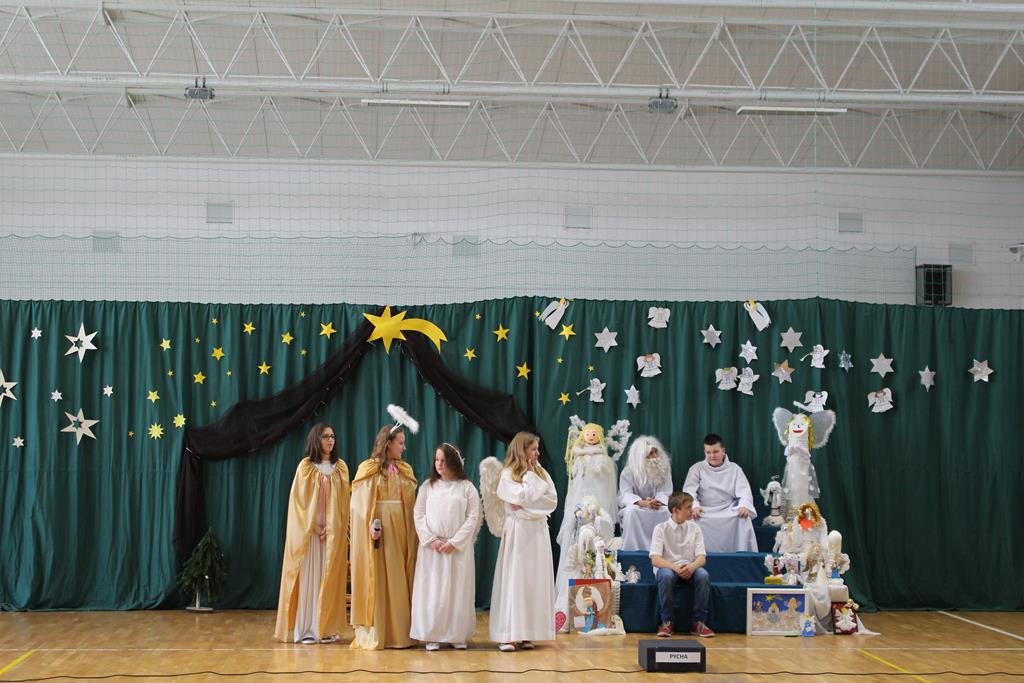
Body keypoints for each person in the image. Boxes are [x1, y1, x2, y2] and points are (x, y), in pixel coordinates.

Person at [274, 423, 351, 644]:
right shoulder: (306, 467)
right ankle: (307, 629)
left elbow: (344, 504)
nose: (330, 440)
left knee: (328, 580)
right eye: (326, 436)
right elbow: (298, 504)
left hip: (332, 535)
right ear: (316, 439)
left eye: (332, 436)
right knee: (310, 579)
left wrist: (333, 528)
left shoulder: (340, 467)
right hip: (311, 534)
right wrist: (315, 528)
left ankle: (325, 628)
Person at [349, 423, 418, 650]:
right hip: (378, 529)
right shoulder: (368, 469)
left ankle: (399, 633)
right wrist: (370, 525)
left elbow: (411, 503)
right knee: (377, 577)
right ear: (388, 443)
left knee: (398, 578)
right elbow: (359, 505)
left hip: (400, 530)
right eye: (400, 443)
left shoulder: (404, 470)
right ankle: (378, 631)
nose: (404, 447)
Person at [489, 432, 558, 652]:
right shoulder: (508, 474)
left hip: (538, 532)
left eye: (537, 449)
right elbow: (518, 498)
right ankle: (510, 635)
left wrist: (528, 501)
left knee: (533, 580)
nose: (537, 453)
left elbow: (552, 501)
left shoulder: (541, 472)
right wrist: (529, 486)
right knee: (516, 579)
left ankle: (527, 633)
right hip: (519, 531)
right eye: (533, 449)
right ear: (522, 450)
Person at [410, 442, 481, 651]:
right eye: (437, 460)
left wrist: (454, 542)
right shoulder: (427, 486)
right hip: (432, 548)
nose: (439, 464)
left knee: (457, 592)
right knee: (433, 591)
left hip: (457, 549)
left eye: (443, 460)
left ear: (453, 462)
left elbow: (473, 517)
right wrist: (431, 540)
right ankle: (432, 634)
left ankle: (456, 634)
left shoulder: (467, 487)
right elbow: (418, 514)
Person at [649, 492, 715, 638]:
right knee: (666, 575)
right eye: (688, 507)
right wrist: (675, 567)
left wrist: (691, 567)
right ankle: (666, 622)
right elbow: (655, 559)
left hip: (689, 567)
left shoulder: (695, 528)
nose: (691, 511)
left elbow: (701, 558)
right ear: (675, 510)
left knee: (703, 575)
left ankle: (698, 623)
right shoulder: (660, 528)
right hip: (668, 567)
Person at [682, 434, 757, 553]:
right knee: (690, 519)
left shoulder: (735, 469)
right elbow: (688, 491)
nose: (712, 456)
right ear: (704, 452)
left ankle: (742, 558)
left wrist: (744, 506)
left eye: (715, 452)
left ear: (723, 451)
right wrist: (695, 506)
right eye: (708, 452)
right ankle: (695, 557)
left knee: (743, 519)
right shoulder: (696, 468)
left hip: (728, 509)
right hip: (703, 509)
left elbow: (744, 492)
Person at [618, 435, 673, 551]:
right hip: (637, 506)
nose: (655, 456)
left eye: (655, 452)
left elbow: (665, 492)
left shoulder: (663, 470)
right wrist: (642, 502)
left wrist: (657, 502)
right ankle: (633, 550)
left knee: (668, 512)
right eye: (650, 453)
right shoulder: (628, 472)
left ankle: (663, 549)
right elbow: (625, 494)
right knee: (631, 512)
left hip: (658, 506)